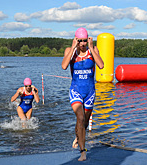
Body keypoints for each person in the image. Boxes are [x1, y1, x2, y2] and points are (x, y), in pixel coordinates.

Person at [61, 27, 104, 161]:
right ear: (75, 40)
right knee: (80, 118)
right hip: (76, 91)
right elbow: (63, 66)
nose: (82, 44)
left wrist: (91, 49)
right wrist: (73, 48)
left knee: (83, 122)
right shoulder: (70, 51)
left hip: (90, 92)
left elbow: (101, 65)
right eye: (80, 41)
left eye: (85, 41)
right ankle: (83, 151)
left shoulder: (93, 50)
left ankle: (78, 136)